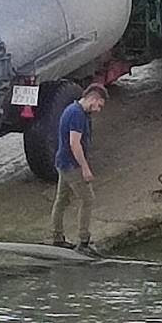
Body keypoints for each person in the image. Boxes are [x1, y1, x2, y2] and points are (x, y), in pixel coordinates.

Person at [50, 83, 109, 256]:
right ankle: (84, 241)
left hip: (62, 162)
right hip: (71, 165)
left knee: (61, 200)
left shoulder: (74, 110)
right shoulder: (77, 114)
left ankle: (57, 237)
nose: (98, 110)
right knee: (88, 199)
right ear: (93, 98)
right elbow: (74, 144)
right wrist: (85, 168)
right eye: (99, 105)